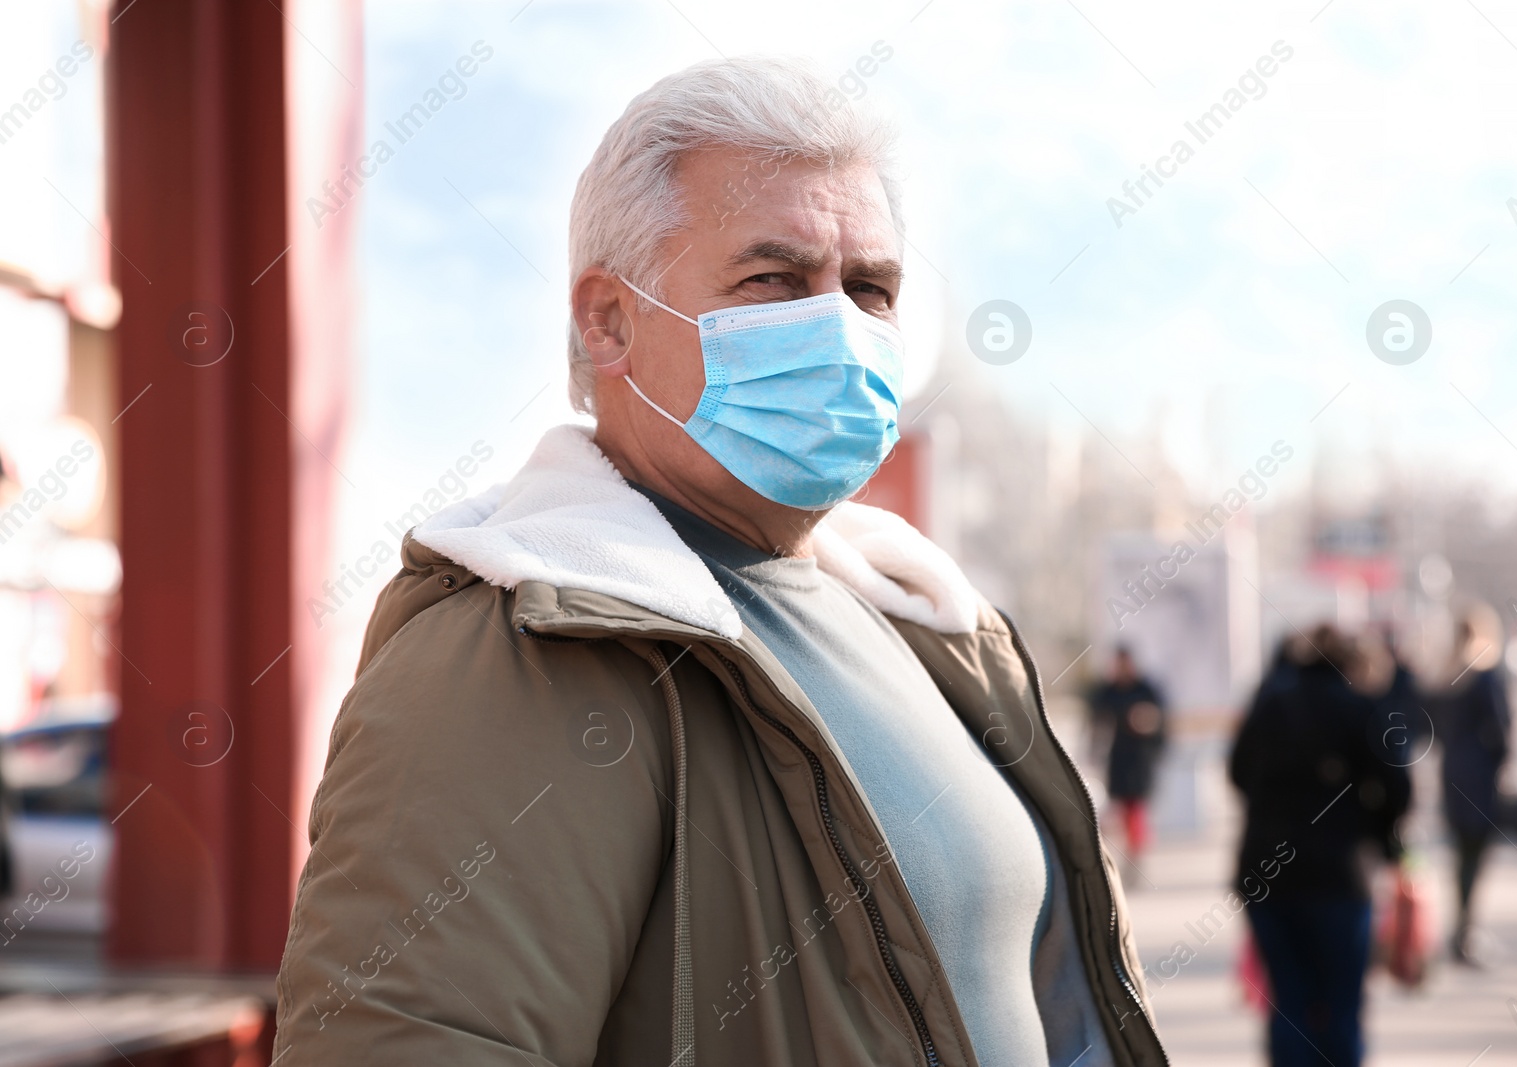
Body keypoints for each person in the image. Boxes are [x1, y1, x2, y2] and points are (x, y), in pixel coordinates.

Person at [272, 58, 1164, 1067]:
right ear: (608, 319)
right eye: (772, 280)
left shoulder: (916, 624)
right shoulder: (524, 654)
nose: (837, 326)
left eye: (868, 287)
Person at [1229, 625, 1411, 1067]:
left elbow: (1236, 773)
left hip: (1268, 876)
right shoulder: (1362, 708)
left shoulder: (1269, 705)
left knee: (1288, 1002)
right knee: (1342, 1005)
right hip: (1341, 875)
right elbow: (1400, 789)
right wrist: (1379, 834)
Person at [1436, 608, 1511, 966]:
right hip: (1479, 780)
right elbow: (1501, 731)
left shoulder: (1448, 676)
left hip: (1452, 777)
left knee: (1460, 857)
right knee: (1473, 859)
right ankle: (1465, 931)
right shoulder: (1485, 677)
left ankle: (1461, 930)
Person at [1089, 646, 1167, 870]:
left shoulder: (1145, 689)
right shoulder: (1108, 691)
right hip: (1117, 759)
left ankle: (1135, 856)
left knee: (1135, 810)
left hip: (1140, 759)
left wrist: (1146, 721)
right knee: (1114, 810)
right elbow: (1096, 721)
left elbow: (1160, 722)